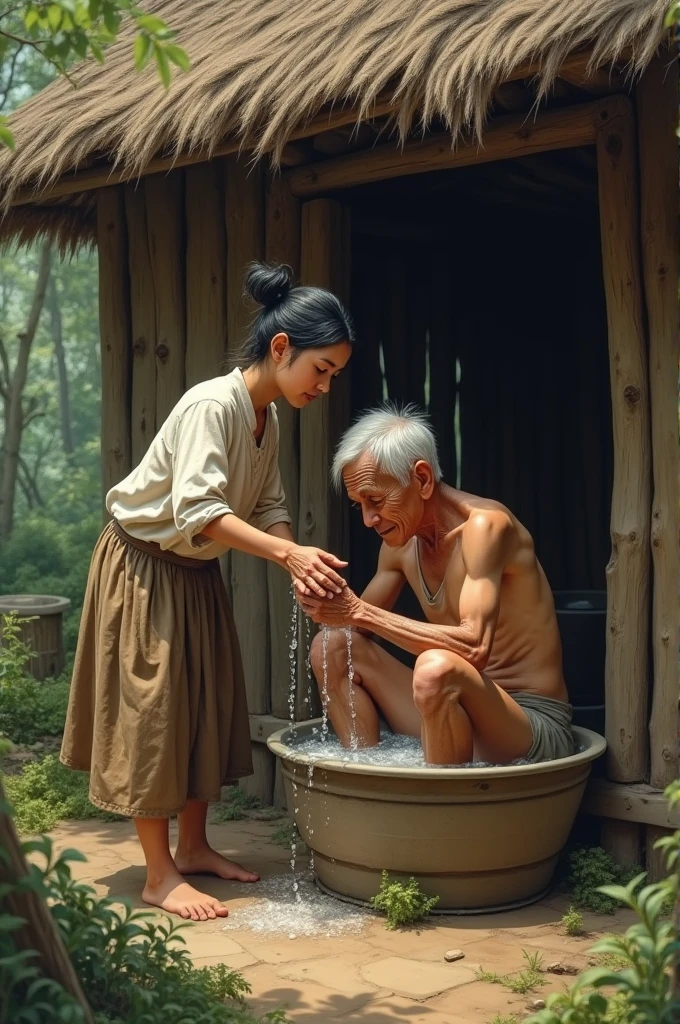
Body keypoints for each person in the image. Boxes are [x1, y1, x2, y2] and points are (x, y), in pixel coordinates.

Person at [61, 262, 355, 921]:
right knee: (155, 711)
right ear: (281, 349)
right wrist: (287, 550)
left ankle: (193, 848)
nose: (326, 384)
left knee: (201, 702)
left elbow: (269, 501)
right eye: (322, 369)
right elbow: (199, 513)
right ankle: (159, 874)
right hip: (143, 568)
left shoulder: (265, 419)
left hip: (193, 573)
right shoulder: (210, 406)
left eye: (334, 373)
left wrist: (294, 566)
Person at [298, 404, 574, 767]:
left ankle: (439, 817)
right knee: (331, 647)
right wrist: (322, 595)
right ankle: (368, 786)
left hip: (527, 726)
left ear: (423, 479)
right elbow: (350, 627)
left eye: (376, 501)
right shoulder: (400, 547)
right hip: (452, 712)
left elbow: (474, 648)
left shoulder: (486, 528)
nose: (368, 519)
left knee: (435, 667)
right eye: (359, 506)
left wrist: (359, 611)